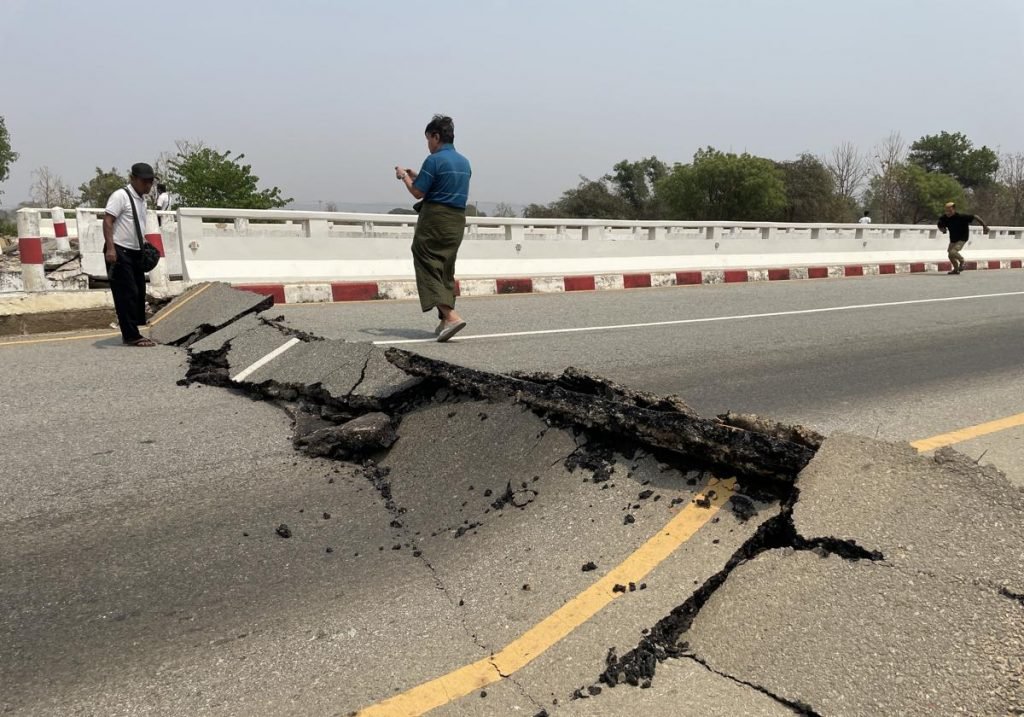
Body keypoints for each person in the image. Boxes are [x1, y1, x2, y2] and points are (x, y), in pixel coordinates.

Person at [395, 115, 473, 342]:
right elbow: (440, 185)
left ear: (436, 137)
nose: (428, 144)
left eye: (428, 139)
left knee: (426, 261)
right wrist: (417, 176)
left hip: (435, 219)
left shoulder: (434, 160)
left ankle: (451, 316)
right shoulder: (464, 162)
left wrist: (403, 177)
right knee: (445, 268)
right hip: (456, 220)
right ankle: (444, 321)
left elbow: (418, 192)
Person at [103, 163, 157, 346]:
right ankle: (131, 335)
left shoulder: (142, 200)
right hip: (119, 250)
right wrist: (111, 249)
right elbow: (108, 221)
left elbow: (136, 224)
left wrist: (144, 243)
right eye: (144, 181)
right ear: (133, 178)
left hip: (135, 252)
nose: (148, 185)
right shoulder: (121, 196)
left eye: (150, 182)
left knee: (139, 291)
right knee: (126, 294)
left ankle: (134, 328)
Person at [938, 201, 989, 275]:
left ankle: (962, 261)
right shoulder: (944, 218)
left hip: (962, 238)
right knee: (950, 255)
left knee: (953, 252)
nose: (948, 213)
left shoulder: (961, 217)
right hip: (953, 239)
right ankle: (956, 270)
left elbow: (975, 216)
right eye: (947, 211)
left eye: (950, 211)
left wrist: (984, 226)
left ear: (954, 210)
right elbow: (939, 225)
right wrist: (942, 229)